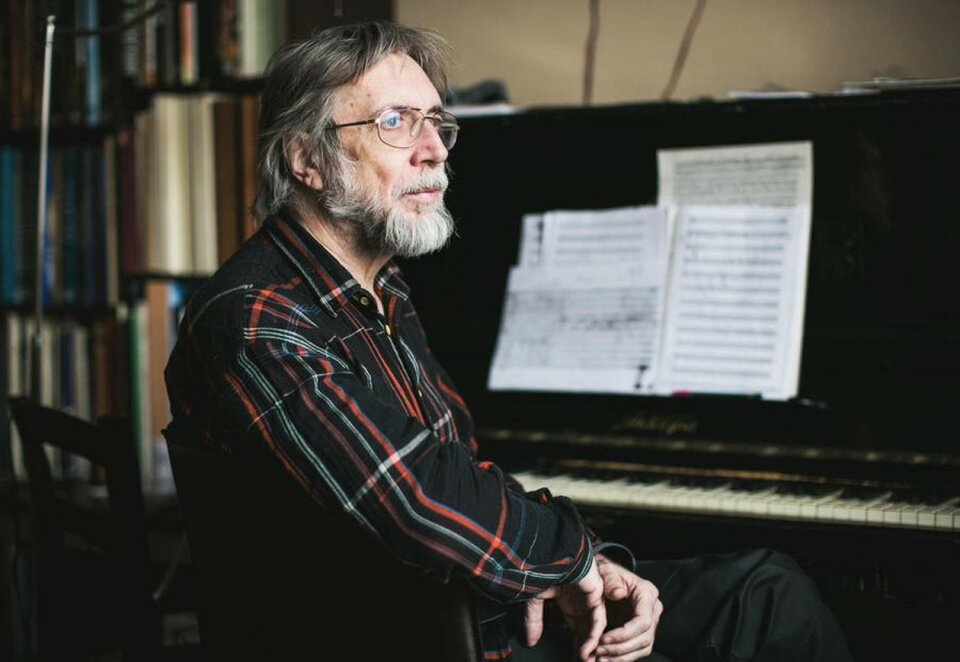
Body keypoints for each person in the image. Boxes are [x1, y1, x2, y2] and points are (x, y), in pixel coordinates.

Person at [164, 22, 852, 662]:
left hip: (469, 599)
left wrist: (589, 561)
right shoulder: (257, 317)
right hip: (409, 635)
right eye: (395, 122)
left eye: (437, 122)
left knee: (768, 591)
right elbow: (418, 494)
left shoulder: (381, 288)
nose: (435, 150)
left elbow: (458, 469)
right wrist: (571, 562)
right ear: (306, 159)